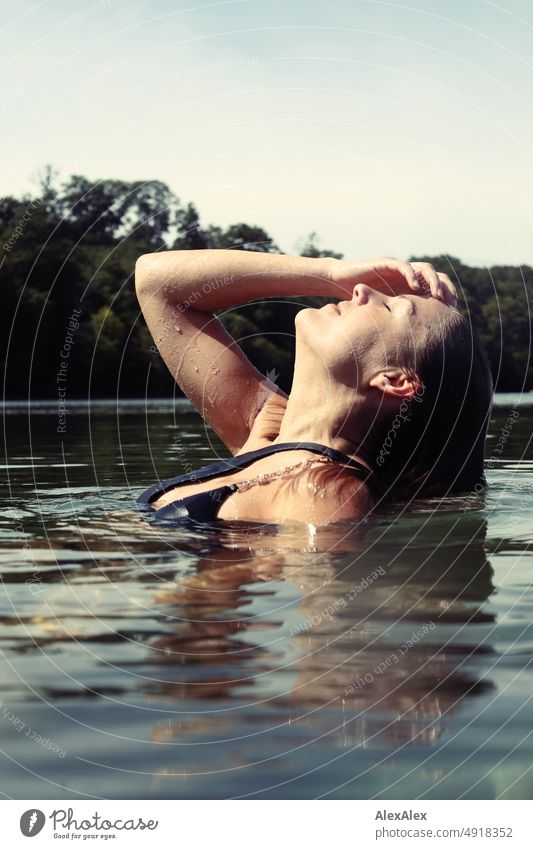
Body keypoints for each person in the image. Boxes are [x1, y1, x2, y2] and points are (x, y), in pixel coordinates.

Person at [135, 251, 493, 526]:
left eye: (389, 305)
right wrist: (331, 273)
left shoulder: (330, 493)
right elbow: (157, 283)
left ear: (395, 380)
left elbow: (324, 611)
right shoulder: (265, 429)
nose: (362, 290)